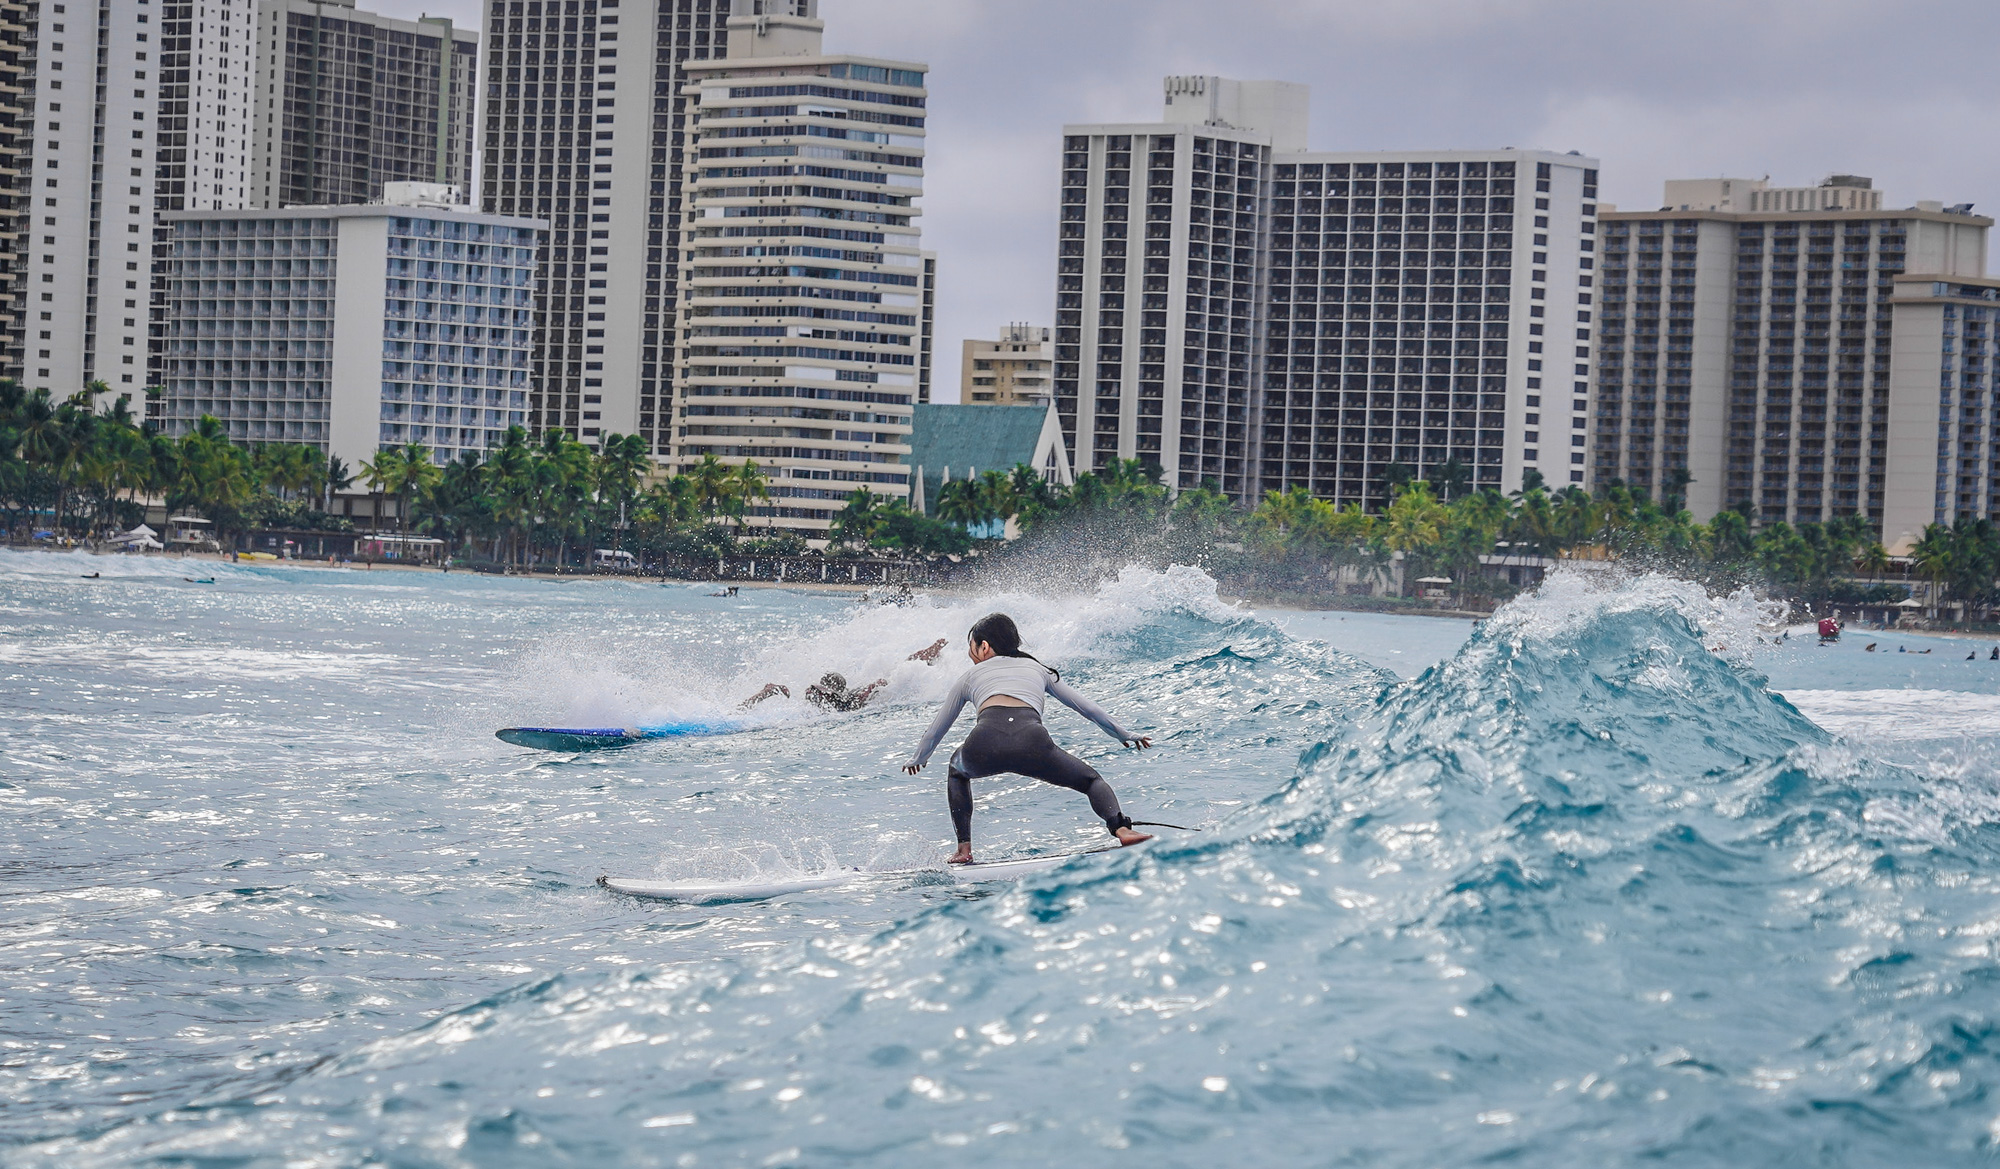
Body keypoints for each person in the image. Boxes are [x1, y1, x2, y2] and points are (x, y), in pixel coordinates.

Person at [903, 613, 1153, 864]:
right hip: (1032, 741)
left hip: (985, 740)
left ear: (985, 647)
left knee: (957, 772)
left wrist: (919, 757)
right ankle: (1121, 829)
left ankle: (964, 849)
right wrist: (1124, 734)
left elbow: (938, 727)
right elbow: (1087, 709)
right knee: (1091, 782)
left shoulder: (968, 677)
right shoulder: (1039, 669)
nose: (970, 653)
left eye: (971, 646)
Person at [739, 639, 949, 710]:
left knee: (898, 671)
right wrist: (872, 687)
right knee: (898, 671)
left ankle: (928, 654)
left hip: (829, 696)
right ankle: (928, 653)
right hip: (837, 698)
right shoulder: (846, 699)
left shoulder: (844, 696)